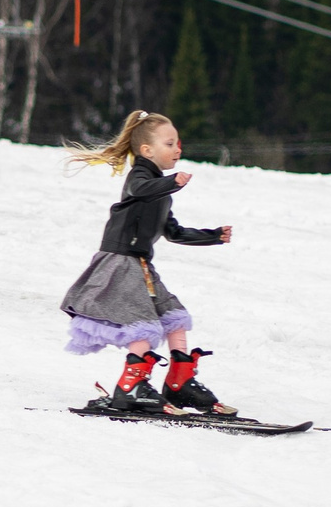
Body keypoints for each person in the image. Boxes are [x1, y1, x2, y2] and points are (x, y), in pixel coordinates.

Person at [59, 109, 238, 417]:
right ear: (146, 150)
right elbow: (141, 190)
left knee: (173, 315)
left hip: (140, 264)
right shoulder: (140, 177)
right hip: (118, 262)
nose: (178, 149)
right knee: (140, 320)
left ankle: (180, 382)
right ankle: (130, 388)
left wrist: (213, 235)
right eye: (170, 144)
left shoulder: (160, 189)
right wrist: (172, 183)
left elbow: (173, 231)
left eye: (178, 143)